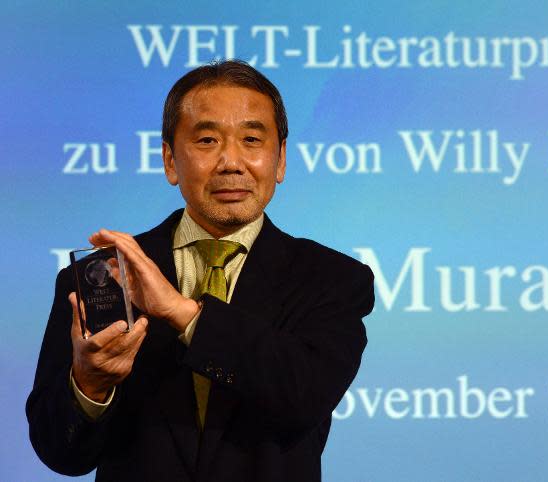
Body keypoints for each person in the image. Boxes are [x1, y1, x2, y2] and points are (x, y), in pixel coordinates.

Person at [26, 60, 374, 481]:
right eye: (207, 140)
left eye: (251, 139)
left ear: (280, 160)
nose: (231, 162)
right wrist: (90, 385)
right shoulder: (100, 276)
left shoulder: (333, 279)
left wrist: (184, 314)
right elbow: (58, 451)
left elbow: (304, 395)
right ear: (170, 160)